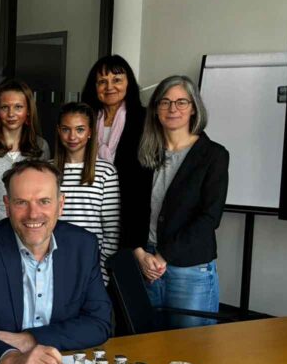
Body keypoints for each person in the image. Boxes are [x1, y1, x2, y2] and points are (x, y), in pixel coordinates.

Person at [0, 160, 111, 364]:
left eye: (44, 201)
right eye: (21, 203)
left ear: (61, 204)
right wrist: (12, 358)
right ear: (7, 206)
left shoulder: (82, 245)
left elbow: (99, 323)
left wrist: (30, 339)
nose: (33, 214)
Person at [132, 76, 229, 328]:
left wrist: (164, 256)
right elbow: (130, 209)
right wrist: (140, 254)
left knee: (190, 352)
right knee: (147, 348)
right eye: (165, 102)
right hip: (145, 265)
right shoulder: (144, 153)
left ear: (194, 107)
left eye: (181, 102)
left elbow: (209, 218)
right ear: (155, 109)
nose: (172, 109)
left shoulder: (214, 155)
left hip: (190, 270)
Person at [79, 55, 151, 250]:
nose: (109, 87)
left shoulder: (145, 120)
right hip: (88, 210)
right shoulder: (84, 119)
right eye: (102, 81)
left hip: (130, 213)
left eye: (117, 80)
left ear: (129, 83)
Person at [54, 102, 120, 281]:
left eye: (80, 129)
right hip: (52, 262)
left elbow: (112, 231)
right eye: (66, 129)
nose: (72, 136)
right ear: (59, 131)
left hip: (91, 267)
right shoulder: (47, 170)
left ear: (90, 132)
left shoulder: (106, 171)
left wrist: (103, 272)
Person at [0, 79, 50, 225]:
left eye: (18, 107)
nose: (11, 114)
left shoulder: (40, 146)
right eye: (5, 107)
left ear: (28, 111)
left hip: (29, 225)